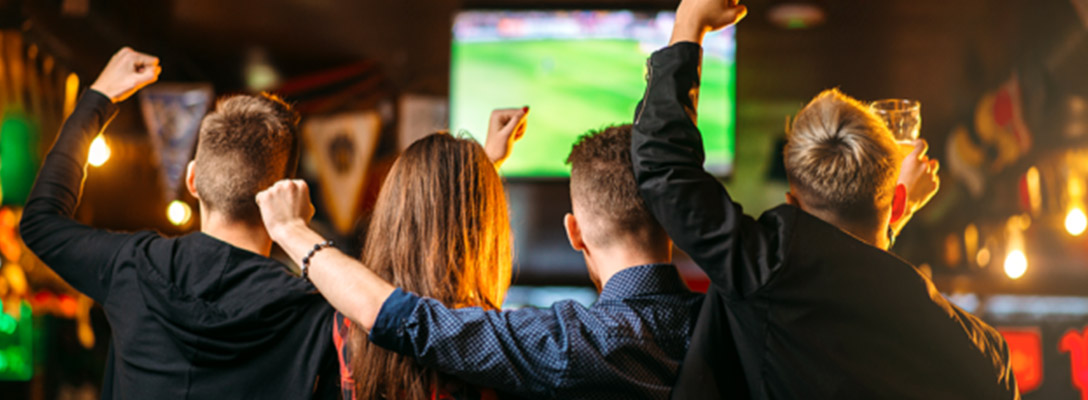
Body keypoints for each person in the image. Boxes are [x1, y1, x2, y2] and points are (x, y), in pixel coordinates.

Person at [630, 0, 1019, 398]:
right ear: (893, 205)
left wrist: (690, 20)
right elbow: (859, 269)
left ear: (792, 203)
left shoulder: (761, 268)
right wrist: (891, 211)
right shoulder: (985, 355)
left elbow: (663, 166)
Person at [257, 124, 703, 399]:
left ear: (575, 231)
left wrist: (291, 232)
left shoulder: (335, 329)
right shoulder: (724, 320)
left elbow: (400, 315)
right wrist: (475, 179)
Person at [20, 48, 338, 399]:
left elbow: (40, 222)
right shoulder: (314, 314)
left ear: (192, 180)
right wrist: (299, 234)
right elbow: (395, 323)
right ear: (286, 194)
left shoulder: (132, 266)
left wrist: (99, 98)